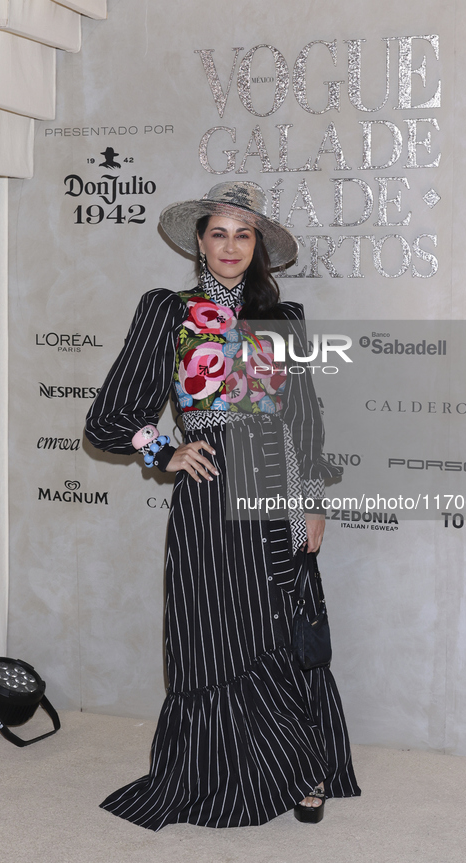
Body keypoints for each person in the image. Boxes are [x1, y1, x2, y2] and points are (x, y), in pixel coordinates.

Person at [85, 181, 360, 831]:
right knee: (216, 639)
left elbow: (306, 422)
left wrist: (312, 501)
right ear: (200, 243)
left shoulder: (284, 320)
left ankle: (304, 768)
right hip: (210, 506)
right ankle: (214, 776)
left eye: (243, 234)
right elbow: (111, 416)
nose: (230, 245)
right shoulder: (169, 311)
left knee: (283, 636)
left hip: (279, 493)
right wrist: (164, 451)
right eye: (218, 233)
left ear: (256, 245)